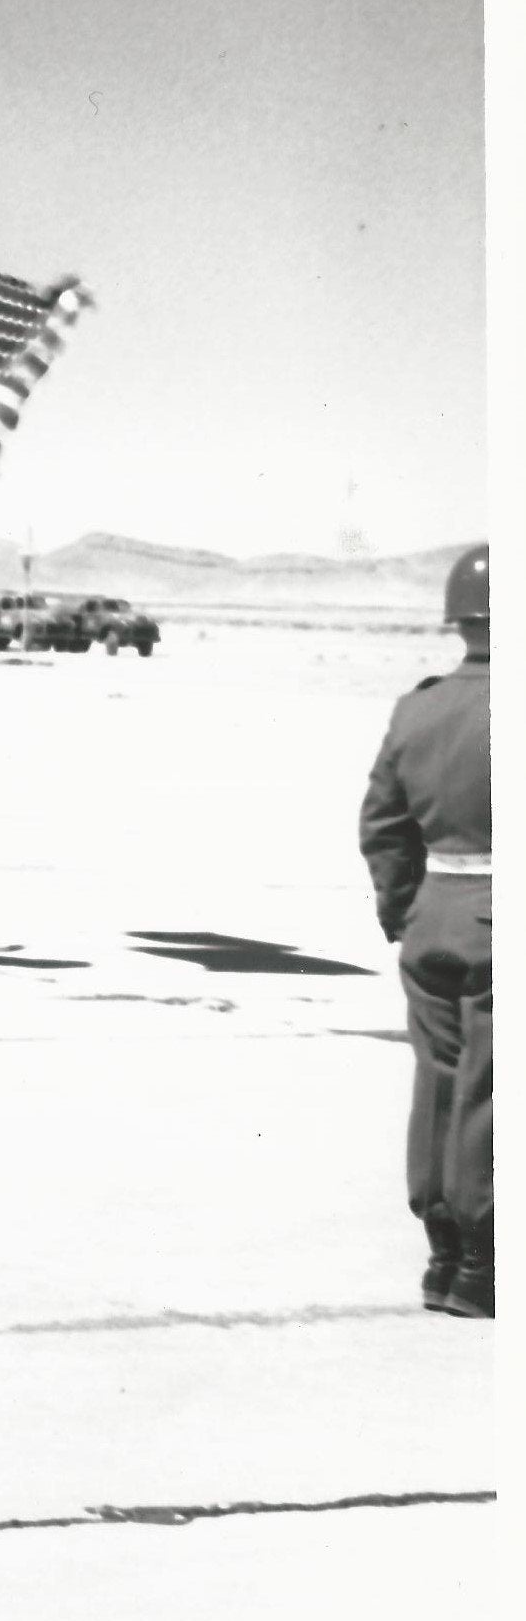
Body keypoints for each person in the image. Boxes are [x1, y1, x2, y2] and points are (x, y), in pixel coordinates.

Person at [359, 543, 492, 1318]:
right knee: (491, 1088)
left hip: (434, 914)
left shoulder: (418, 706)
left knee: (440, 1081)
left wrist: (407, 911)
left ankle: (443, 1254)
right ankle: (483, 1263)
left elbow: (383, 825)